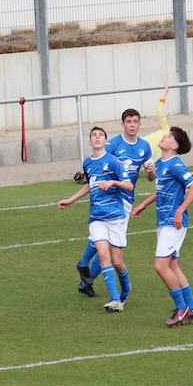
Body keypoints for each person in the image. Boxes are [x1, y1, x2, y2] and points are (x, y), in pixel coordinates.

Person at [74, 106, 156, 300]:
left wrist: (150, 170)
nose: (132, 125)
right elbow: (97, 165)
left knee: (108, 245)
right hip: (109, 197)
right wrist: (83, 177)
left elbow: (151, 178)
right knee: (106, 244)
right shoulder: (112, 145)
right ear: (123, 124)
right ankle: (88, 273)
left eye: (135, 121)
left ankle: (86, 280)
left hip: (126, 199)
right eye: (129, 122)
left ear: (139, 124)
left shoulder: (144, 146)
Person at [131, 126, 193, 326]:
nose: (164, 136)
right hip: (163, 221)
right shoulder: (162, 163)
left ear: (174, 145)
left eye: (169, 136)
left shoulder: (176, 165)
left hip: (174, 223)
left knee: (159, 266)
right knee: (172, 266)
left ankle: (181, 308)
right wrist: (144, 204)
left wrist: (179, 211)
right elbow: (161, 189)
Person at [59, 127, 136, 312]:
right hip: (96, 218)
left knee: (117, 262)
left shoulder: (113, 162)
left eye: (100, 135)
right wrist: (71, 200)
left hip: (115, 217)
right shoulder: (87, 163)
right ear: (90, 141)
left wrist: (113, 182)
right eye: (94, 135)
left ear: (105, 141)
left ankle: (126, 287)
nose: (97, 138)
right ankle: (115, 300)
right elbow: (89, 185)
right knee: (103, 254)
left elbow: (129, 185)